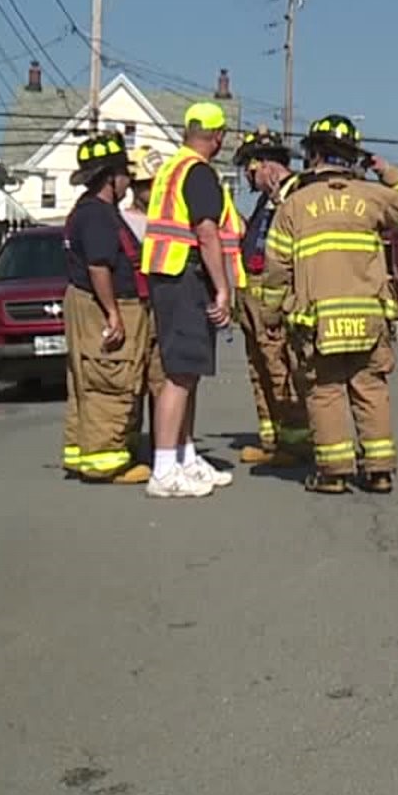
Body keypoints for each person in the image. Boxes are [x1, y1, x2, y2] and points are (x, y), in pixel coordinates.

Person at [268, 114, 398, 494]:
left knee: (325, 391)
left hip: (318, 322)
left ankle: (333, 473)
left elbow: (276, 268)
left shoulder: (294, 205)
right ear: (353, 157)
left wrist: (272, 313)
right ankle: (379, 470)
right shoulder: (373, 197)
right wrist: (388, 171)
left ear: (314, 154)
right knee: (370, 388)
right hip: (368, 320)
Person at [138, 101, 245, 499]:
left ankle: (184, 456)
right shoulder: (198, 173)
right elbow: (206, 232)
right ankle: (164, 469)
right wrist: (223, 287)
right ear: (217, 137)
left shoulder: (172, 167)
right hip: (185, 276)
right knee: (180, 375)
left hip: (169, 275)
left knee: (189, 371)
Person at [60, 131, 152, 485]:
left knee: (88, 380)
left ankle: (81, 451)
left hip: (90, 304)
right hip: (102, 306)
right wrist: (113, 313)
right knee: (110, 378)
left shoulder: (92, 211)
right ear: (109, 177)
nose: (129, 181)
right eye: (124, 174)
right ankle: (104, 462)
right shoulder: (97, 215)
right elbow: (99, 266)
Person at [230, 127, 312, 467]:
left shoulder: (298, 193)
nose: (248, 179)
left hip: (275, 301)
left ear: (267, 165)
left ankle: (295, 442)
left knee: (281, 369)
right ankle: (272, 438)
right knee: (259, 369)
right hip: (252, 298)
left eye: (250, 170)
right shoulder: (266, 199)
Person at [122, 145, 171, 458]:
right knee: (130, 382)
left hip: (161, 309)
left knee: (162, 381)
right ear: (135, 186)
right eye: (148, 184)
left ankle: (162, 446)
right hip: (133, 309)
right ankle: (129, 445)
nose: (154, 191)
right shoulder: (121, 221)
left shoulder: (166, 222)